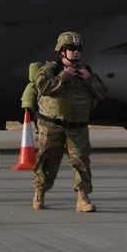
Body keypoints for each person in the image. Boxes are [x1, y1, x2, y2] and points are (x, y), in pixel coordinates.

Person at [32, 32, 108, 212]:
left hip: (78, 127)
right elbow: (42, 87)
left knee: (81, 162)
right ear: (61, 51)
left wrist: (89, 80)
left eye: (78, 49)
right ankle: (40, 191)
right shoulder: (50, 69)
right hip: (52, 126)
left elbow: (101, 92)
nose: (76, 52)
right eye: (71, 49)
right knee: (48, 163)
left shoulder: (85, 71)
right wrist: (64, 77)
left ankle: (83, 198)